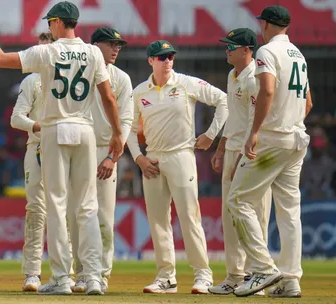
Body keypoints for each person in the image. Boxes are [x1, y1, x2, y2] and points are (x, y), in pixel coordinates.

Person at [0, 0, 124, 295]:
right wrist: (117, 133)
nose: (49, 26)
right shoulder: (93, 53)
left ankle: (62, 279)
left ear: (59, 23)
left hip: (55, 129)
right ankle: (94, 278)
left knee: (57, 205)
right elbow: (109, 98)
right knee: (87, 207)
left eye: (51, 22)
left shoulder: (48, 52)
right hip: (85, 130)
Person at [126, 40, 228, 294]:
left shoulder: (186, 83)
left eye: (171, 56)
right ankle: (166, 277)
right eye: (162, 57)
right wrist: (138, 157)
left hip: (182, 155)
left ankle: (203, 275)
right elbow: (127, 127)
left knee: (189, 217)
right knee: (158, 220)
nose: (168, 61)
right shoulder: (140, 92)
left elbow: (223, 101)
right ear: (150, 60)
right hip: (152, 159)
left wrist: (211, 135)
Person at [229, 5, 312, 297]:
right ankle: (291, 281)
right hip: (297, 139)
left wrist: (254, 133)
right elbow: (308, 104)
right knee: (289, 212)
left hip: (273, 139)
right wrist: (291, 120)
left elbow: (266, 91)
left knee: (238, 200)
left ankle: (263, 269)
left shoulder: (266, 52)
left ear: (265, 25)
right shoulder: (298, 55)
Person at [69, 26, 133, 293]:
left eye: (119, 45)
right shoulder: (78, 73)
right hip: (78, 149)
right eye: (110, 44)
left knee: (104, 217)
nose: (116, 49)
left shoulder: (121, 78)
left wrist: (111, 156)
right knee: (75, 216)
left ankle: (102, 274)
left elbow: (126, 120)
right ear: (94, 46)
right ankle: (81, 272)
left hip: (105, 152)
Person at [208, 28, 272, 296]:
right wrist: (221, 148)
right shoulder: (232, 75)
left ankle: (259, 276)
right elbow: (234, 118)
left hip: (253, 153)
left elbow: (254, 122)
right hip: (234, 149)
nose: (227, 50)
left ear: (247, 50)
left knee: (255, 216)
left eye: (231, 47)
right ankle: (235, 275)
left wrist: (243, 158)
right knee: (230, 216)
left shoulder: (255, 78)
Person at [10, 32, 55, 292]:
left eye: (47, 49)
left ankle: (66, 272)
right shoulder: (32, 81)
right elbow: (16, 118)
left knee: (64, 211)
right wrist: (37, 126)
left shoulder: (71, 76)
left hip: (64, 147)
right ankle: (32, 273)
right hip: (37, 146)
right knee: (36, 210)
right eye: (39, 49)